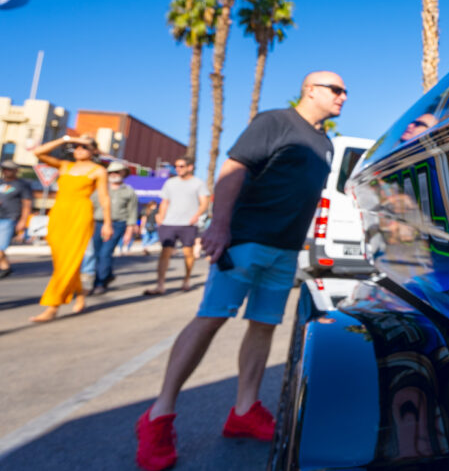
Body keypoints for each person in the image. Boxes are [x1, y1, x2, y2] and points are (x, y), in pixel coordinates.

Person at [135, 71, 345, 471]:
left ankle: (244, 411)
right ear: (310, 90)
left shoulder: (325, 143)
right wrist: (219, 226)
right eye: (335, 89)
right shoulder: (275, 121)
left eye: (345, 91)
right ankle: (158, 415)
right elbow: (233, 169)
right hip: (246, 240)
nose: (343, 96)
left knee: (264, 325)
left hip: (285, 250)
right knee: (211, 318)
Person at [29, 135, 111, 322]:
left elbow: (104, 198)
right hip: (58, 214)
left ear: (94, 151)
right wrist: (65, 139)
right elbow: (38, 153)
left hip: (80, 215)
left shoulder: (98, 171)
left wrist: (107, 223)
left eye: (84, 147)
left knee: (70, 259)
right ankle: (80, 293)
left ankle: (53, 305)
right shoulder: (65, 165)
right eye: (76, 146)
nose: (79, 150)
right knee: (61, 260)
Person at [145, 157, 209, 295]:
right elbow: (165, 202)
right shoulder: (170, 182)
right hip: (169, 223)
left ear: (190, 167)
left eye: (181, 166)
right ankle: (160, 285)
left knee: (188, 253)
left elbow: (204, 202)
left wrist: (196, 215)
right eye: (176, 166)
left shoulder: (198, 183)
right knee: (165, 252)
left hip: (188, 224)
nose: (178, 169)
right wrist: (161, 217)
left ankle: (186, 280)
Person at [89, 161, 138, 295]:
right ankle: (108, 275)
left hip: (117, 224)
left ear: (123, 173)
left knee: (105, 253)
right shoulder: (100, 189)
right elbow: (90, 205)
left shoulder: (128, 192)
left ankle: (99, 283)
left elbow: (132, 212)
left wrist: (129, 231)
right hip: (98, 223)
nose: (114, 174)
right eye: (111, 172)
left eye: (117, 172)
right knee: (97, 253)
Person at [0, 160, 32, 279]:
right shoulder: (0, 182)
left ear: (15, 171)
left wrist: (23, 220)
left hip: (10, 218)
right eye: (4, 169)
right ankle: (5, 267)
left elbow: (27, 204)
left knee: (0, 246)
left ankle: (5, 268)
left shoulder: (21, 185)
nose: (5, 171)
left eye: (9, 169)